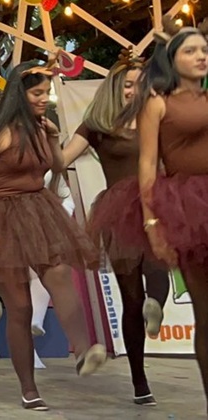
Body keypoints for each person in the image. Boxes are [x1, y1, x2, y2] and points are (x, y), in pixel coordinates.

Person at [0, 60, 106, 411]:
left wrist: (53, 136)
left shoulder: (40, 128)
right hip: (1, 216)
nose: (45, 98)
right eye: (38, 93)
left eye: (46, 92)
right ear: (20, 94)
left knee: (60, 274)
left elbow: (55, 165)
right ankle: (28, 388)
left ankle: (84, 351)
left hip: (39, 211)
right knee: (20, 306)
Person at [58, 52, 165, 405]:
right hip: (118, 213)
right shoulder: (97, 125)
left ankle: (157, 305)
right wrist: (40, 136)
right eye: (127, 85)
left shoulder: (157, 118)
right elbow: (62, 159)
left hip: (157, 205)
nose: (133, 91)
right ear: (115, 88)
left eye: (139, 85)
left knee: (157, 269)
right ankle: (140, 381)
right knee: (130, 299)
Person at [131, 24, 208, 415]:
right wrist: (152, 223)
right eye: (190, 50)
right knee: (207, 311)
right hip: (189, 208)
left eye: (204, 49)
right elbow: (147, 165)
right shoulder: (158, 103)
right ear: (173, 60)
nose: (200, 56)